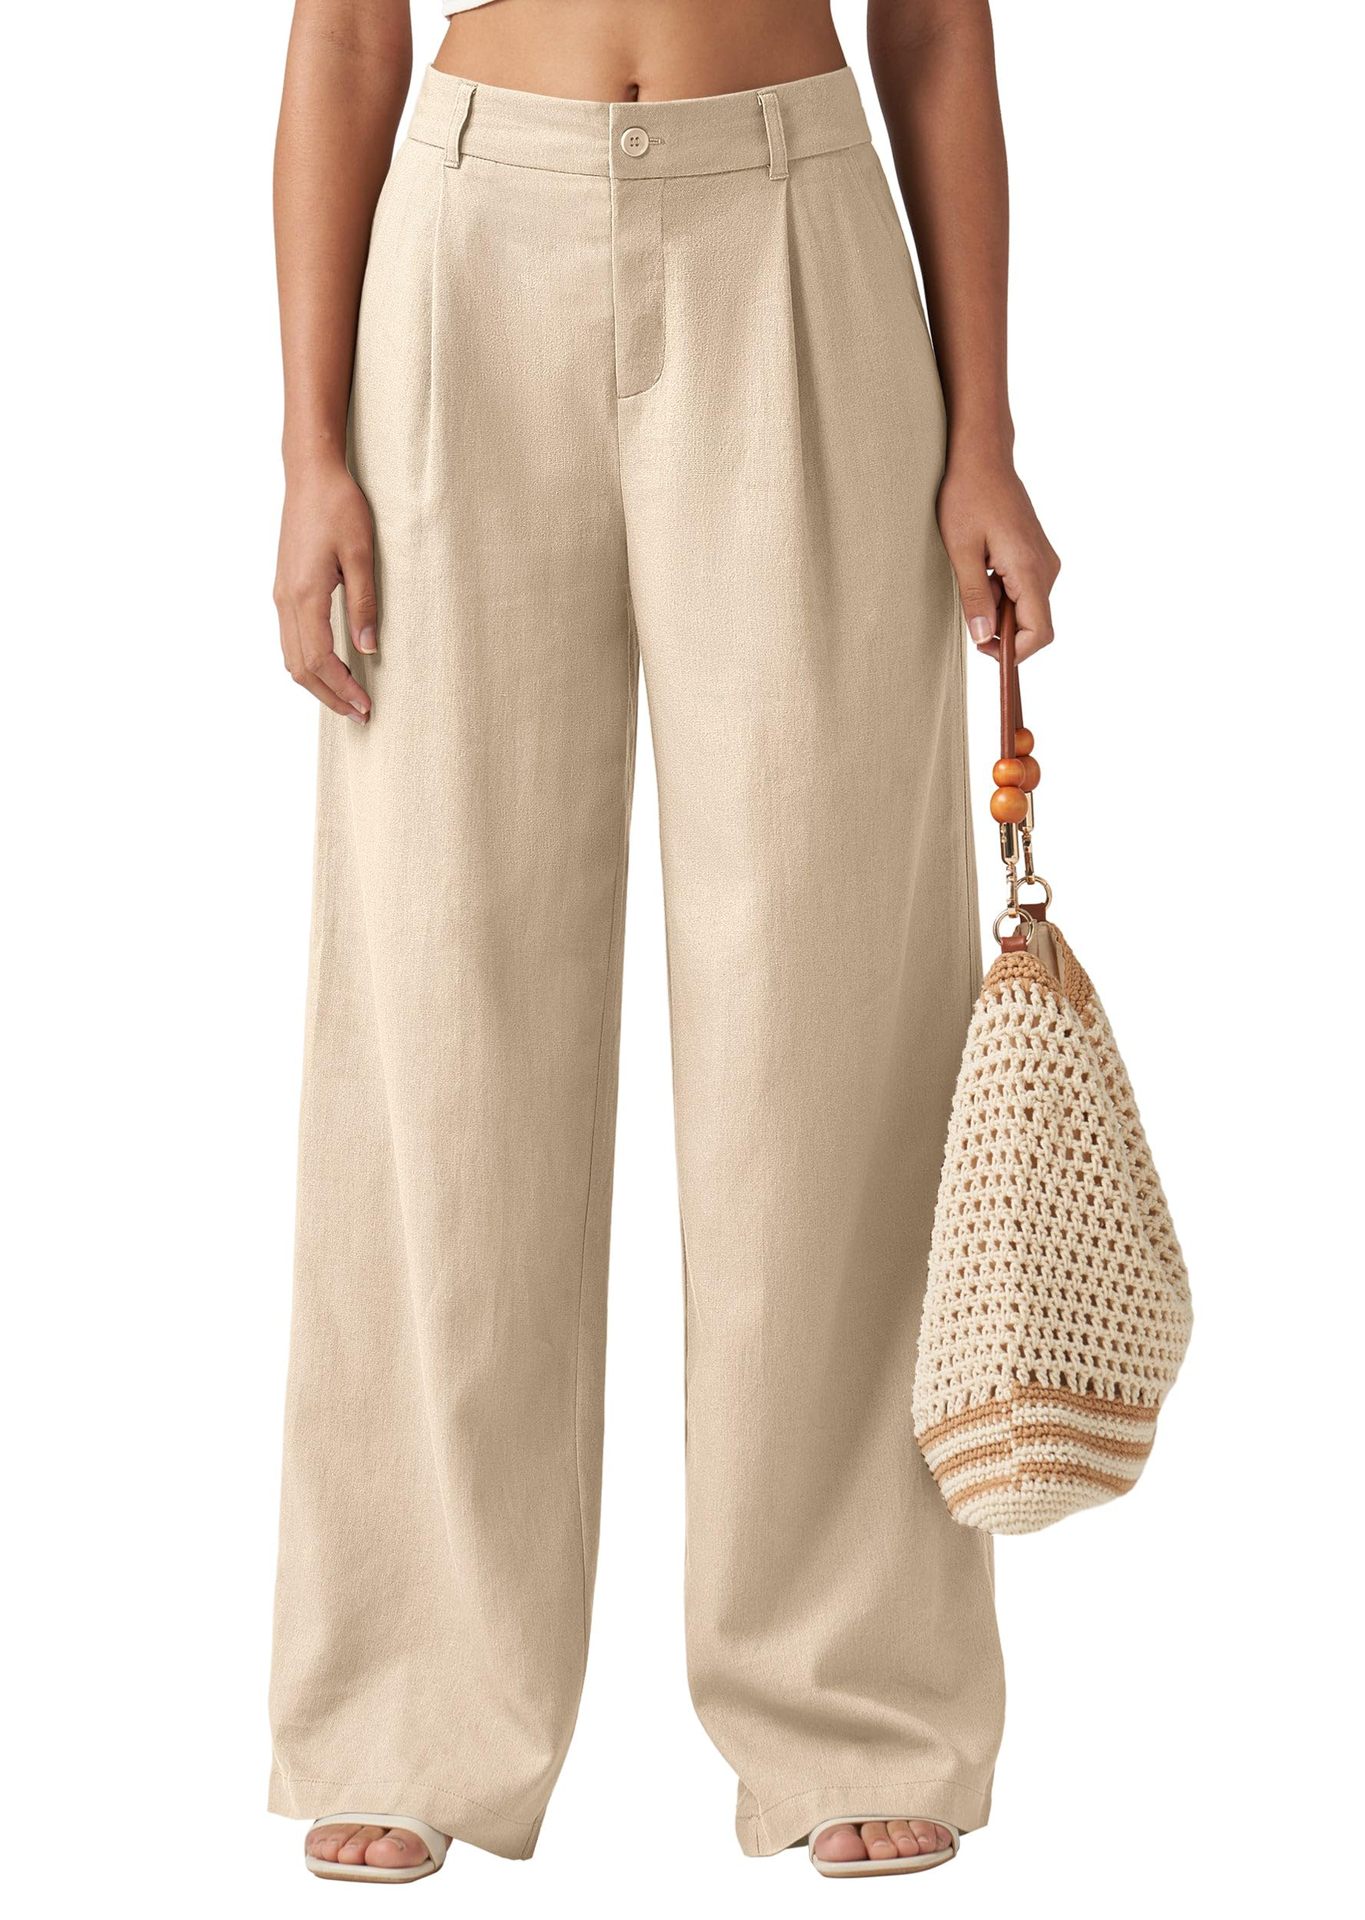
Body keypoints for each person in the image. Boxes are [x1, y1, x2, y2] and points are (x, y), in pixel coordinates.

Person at [269, 0, 1058, 1885]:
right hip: (465, 248)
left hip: (792, 228)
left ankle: (852, 1699)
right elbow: (346, 34)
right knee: (439, 1014)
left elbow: (933, 27)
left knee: (823, 1021)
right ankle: (407, 1702)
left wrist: (984, 435)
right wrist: (307, 450)